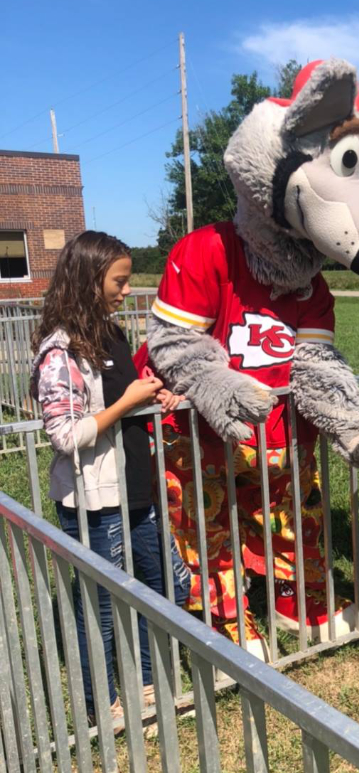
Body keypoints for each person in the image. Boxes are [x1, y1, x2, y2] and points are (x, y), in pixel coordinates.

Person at [31, 230, 191, 724]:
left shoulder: (113, 334)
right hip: (94, 500)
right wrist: (127, 403)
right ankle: (102, 703)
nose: (127, 289)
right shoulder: (59, 351)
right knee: (100, 607)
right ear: (89, 277)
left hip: (135, 486)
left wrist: (155, 398)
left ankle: (145, 681)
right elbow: (64, 435)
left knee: (167, 583)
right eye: (119, 281)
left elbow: (122, 405)